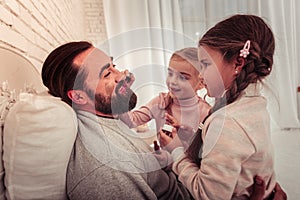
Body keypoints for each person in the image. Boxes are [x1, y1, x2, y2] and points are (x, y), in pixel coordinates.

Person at [41, 41, 279, 200]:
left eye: (114, 66)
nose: (122, 74)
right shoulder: (106, 169)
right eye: (107, 73)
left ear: (200, 84)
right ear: (79, 96)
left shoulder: (107, 117)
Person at [160, 14, 284, 199]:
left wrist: (176, 151)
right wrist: (195, 140)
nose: (200, 75)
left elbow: (207, 195)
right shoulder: (253, 104)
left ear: (238, 63)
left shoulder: (228, 121)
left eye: (205, 65)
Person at [119, 47, 210, 138]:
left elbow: (205, 148)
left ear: (201, 83)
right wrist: (121, 93)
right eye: (170, 74)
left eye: (182, 77)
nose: (173, 81)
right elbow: (131, 121)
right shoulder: (160, 101)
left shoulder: (206, 112)